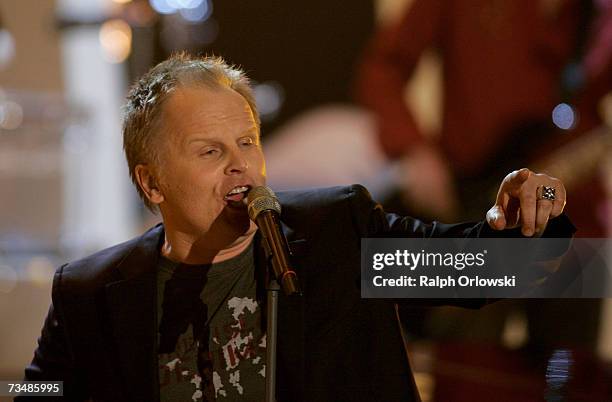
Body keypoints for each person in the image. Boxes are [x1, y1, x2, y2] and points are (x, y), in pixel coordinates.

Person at [19, 54, 574, 402]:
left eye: (248, 143)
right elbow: (37, 391)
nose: (241, 165)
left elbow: (480, 271)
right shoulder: (89, 292)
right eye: (210, 150)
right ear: (152, 183)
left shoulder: (337, 237)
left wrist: (533, 213)